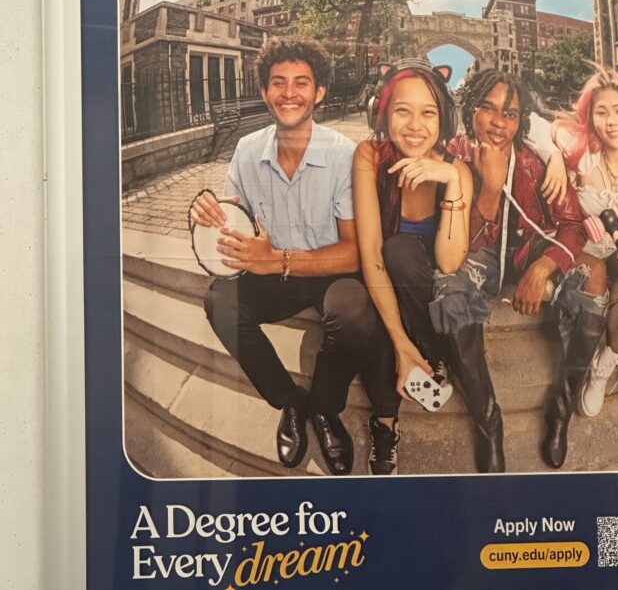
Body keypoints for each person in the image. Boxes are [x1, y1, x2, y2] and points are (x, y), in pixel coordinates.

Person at [191, 37, 396, 476]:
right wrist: (205, 213)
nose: (289, 93)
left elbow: (353, 254)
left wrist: (276, 260)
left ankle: (324, 408)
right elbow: (232, 223)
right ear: (264, 91)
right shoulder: (248, 150)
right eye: (278, 83)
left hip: (325, 270)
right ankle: (290, 402)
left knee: (354, 310)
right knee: (218, 302)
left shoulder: (343, 155)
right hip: (270, 272)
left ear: (320, 91)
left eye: (302, 83)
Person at [444, 69, 589, 471]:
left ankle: (561, 412)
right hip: (479, 256)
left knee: (593, 297)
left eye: (509, 114)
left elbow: (573, 224)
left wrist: (546, 264)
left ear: (520, 120)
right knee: (450, 298)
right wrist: (488, 189)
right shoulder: (452, 154)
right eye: (487, 109)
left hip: (530, 250)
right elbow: (454, 249)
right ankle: (489, 422)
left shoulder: (533, 161)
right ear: (469, 110)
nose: (497, 122)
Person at [528, 67, 618, 459]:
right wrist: (554, 157)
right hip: (584, 256)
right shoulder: (581, 154)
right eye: (602, 112)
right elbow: (531, 122)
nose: (612, 121)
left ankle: (607, 367)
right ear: (590, 117)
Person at [353, 60, 474, 475]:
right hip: (386, 277)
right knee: (377, 303)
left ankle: (433, 352)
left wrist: (453, 179)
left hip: (430, 285)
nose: (415, 125)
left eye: (428, 113)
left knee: (405, 252)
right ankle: (386, 421)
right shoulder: (369, 156)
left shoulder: (456, 168)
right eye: (402, 110)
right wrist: (401, 343)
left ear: (444, 118)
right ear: (382, 112)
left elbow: (449, 260)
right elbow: (370, 252)